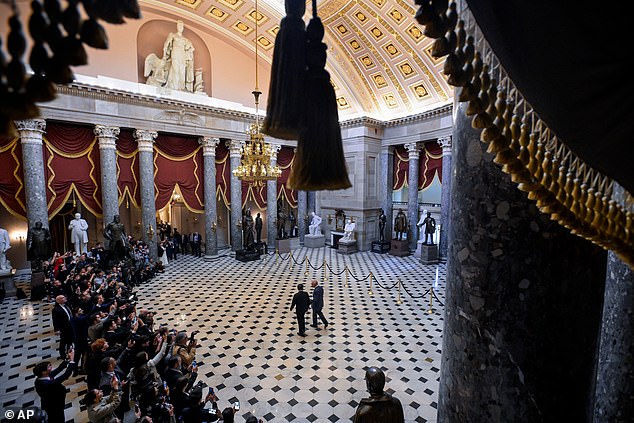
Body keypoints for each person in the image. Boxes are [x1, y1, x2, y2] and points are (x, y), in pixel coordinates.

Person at [33, 349, 76, 423]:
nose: (51, 367)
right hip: (54, 406)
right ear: (44, 372)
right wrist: (72, 361)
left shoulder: (42, 377)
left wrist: (67, 359)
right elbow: (65, 376)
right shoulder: (47, 384)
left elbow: (59, 369)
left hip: (50, 402)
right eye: (49, 366)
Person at [163, 20, 195, 92]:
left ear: (183, 28)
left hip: (182, 54)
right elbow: (166, 43)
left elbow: (192, 48)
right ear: (177, 27)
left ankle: (181, 87)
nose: (180, 27)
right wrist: (164, 52)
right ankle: (174, 87)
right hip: (175, 52)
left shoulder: (186, 39)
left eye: (182, 26)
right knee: (175, 68)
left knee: (182, 70)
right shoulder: (173, 35)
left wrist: (189, 49)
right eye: (179, 26)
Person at [52, 294, 75, 360]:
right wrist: (57, 329)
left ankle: (69, 353)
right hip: (64, 328)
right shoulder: (55, 310)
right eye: (62, 298)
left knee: (70, 341)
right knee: (63, 342)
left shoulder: (66, 305)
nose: (64, 298)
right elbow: (55, 320)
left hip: (70, 326)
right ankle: (62, 355)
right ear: (58, 301)